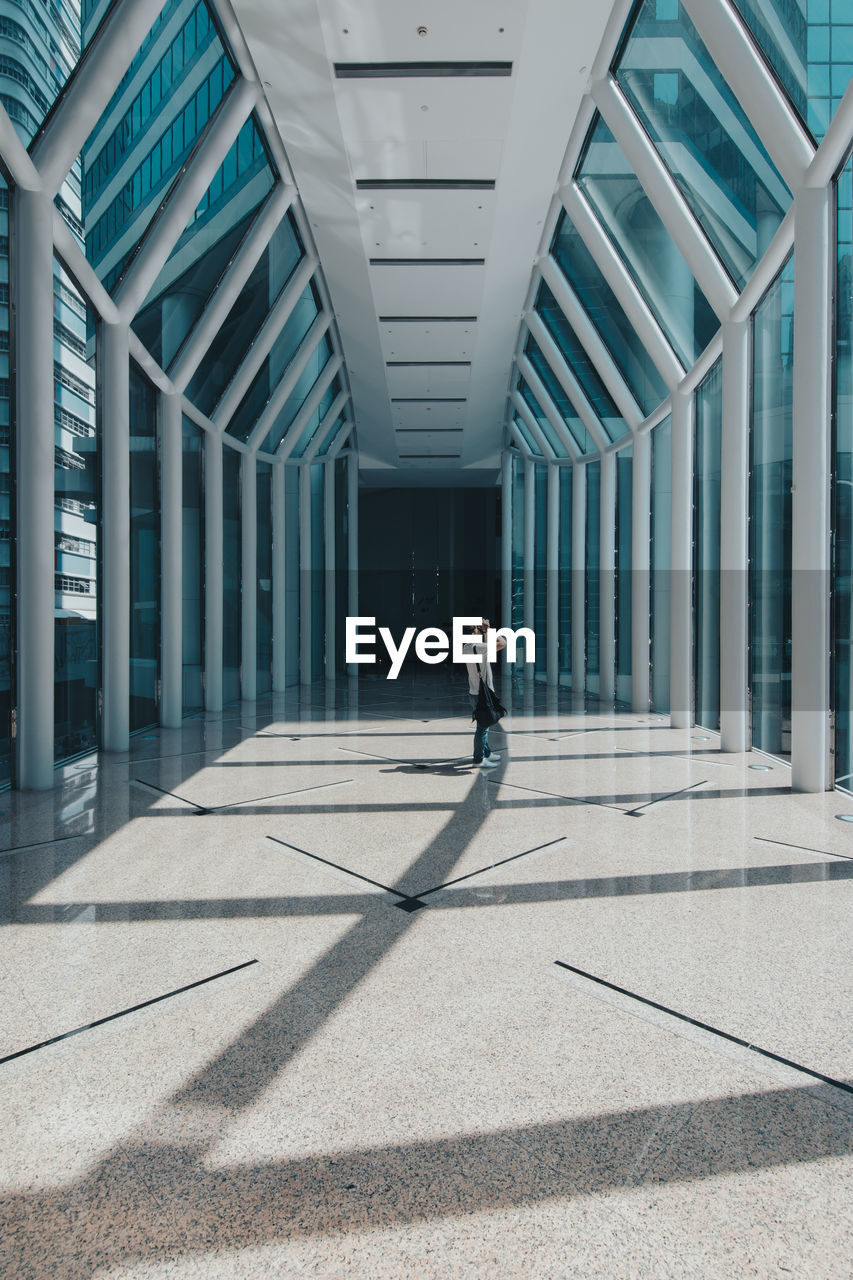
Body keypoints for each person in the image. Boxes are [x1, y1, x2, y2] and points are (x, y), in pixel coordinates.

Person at [463, 618, 506, 767]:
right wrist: (488, 629)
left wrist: (484, 631)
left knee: (484, 722)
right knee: (482, 728)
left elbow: (487, 650)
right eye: (477, 628)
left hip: (474, 692)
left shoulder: (467, 647)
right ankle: (478, 759)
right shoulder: (479, 647)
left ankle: (487, 753)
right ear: (474, 632)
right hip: (483, 694)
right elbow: (502, 643)